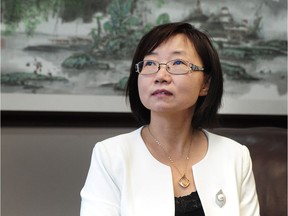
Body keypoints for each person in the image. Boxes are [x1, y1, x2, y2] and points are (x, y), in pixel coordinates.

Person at [80, 22, 260, 216]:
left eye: (177, 63)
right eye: (150, 63)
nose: (161, 76)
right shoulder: (110, 156)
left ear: (205, 84)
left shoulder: (235, 156)